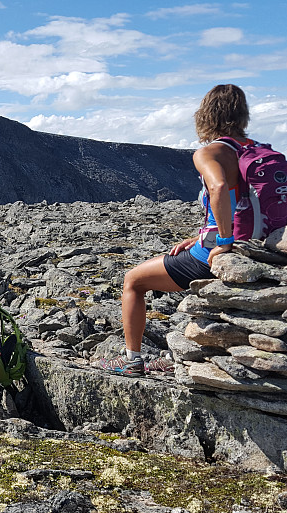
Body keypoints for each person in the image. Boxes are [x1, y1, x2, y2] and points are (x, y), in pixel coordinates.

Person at [98, 84, 253, 376]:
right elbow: (244, 202)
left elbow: (219, 187)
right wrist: (200, 235)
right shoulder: (254, 152)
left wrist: (223, 240)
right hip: (257, 246)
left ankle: (132, 360)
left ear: (206, 115)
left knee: (133, 281)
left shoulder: (210, 153)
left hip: (215, 252)